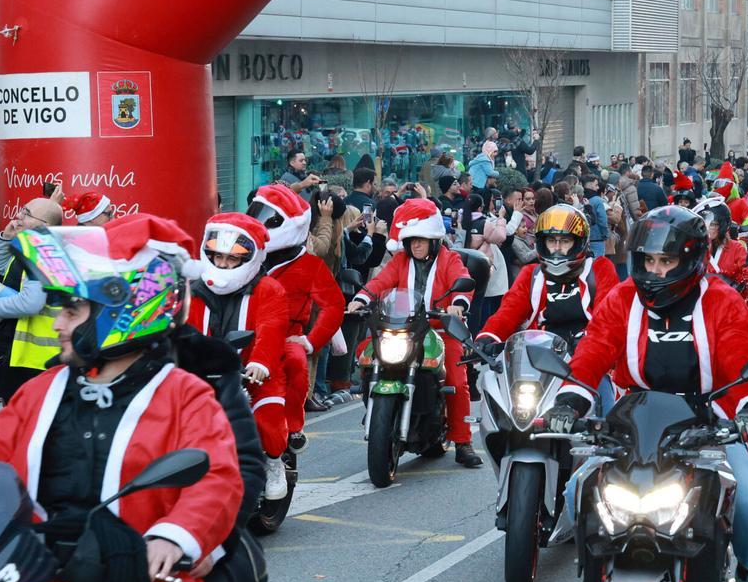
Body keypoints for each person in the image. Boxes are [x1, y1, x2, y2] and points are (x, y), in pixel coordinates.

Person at [0, 215, 243, 582]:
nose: (57, 324)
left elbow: (217, 477)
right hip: (32, 581)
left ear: (120, 312)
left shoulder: (184, 394)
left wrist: (172, 537)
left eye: (71, 310)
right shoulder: (39, 390)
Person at [542, 206, 748, 582]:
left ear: (691, 259)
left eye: (667, 261)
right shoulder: (622, 297)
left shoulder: (722, 299)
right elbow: (592, 353)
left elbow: (743, 361)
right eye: (649, 260)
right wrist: (568, 402)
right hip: (634, 418)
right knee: (578, 488)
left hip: (707, 418)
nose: (657, 270)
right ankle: (592, 580)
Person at [347, 198, 482, 468]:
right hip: (401, 329)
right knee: (367, 356)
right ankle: (378, 413)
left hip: (439, 329)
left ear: (432, 239)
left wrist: (457, 304)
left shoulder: (449, 258)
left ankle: (463, 442)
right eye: (411, 241)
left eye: (421, 240)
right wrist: (361, 299)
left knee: (456, 379)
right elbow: (380, 282)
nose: (416, 245)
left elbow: (462, 281)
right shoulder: (399, 260)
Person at [187, 213, 291, 499]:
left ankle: (273, 462)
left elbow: (272, 328)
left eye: (231, 259)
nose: (222, 265)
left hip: (251, 373)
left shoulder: (268, 289)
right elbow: (180, 329)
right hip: (200, 374)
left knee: (266, 412)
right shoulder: (192, 290)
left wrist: (260, 363)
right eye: (217, 257)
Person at [246, 185, 344, 439]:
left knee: (297, 363)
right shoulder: (244, 257)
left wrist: (310, 341)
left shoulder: (309, 266)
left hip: (286, 336)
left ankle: (292, 429)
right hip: (243, 334)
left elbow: (334, 304)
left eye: (270, 218)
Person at [477, 204, 619, 352]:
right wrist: (488, 336)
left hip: (589, 355)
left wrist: (589, 342)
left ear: (579, 243)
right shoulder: (532, 274)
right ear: (542, 243)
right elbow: (507, 312)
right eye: (551, 240)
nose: (557, 248)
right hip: (539, 360)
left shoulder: (599, 269)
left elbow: (608, 320)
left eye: (565, 241)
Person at [0, 197, 65, 400]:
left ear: (44, 225)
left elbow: (31, 303)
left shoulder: (43, 254)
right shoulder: (33, 247)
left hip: (38, 362)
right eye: (21, 210)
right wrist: (6, 236)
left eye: (26, 214)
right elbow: (0, 265)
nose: (18, 216)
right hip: (25, 357)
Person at [695, 198, 748, 316]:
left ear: (722, 225)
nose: (709, 228)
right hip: (700, 304)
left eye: (713, 224)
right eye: (705, 223)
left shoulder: (736, 248)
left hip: (732, 304)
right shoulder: (694, 249)